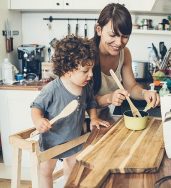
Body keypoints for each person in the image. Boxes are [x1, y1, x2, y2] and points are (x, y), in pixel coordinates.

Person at [30, 35, 110, 188]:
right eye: (85, 70)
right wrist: (38, 121)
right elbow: (36, 107)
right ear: (67, 71)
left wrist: (93, 118)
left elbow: (90, 102)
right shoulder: (52, 89)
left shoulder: (85, 87)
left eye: (92, 69)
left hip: (74, 139)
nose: (91, 74)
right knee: (46, 171)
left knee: (73, 169)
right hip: (51, 141)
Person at [92, 3, 160, 110]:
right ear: (99, 30)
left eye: (125, 36)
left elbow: (131, 87)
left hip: (103, 116)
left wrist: (144, 93)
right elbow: (80, 98)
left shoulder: (125, 53)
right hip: (81, 119)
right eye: (113, 35)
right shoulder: (85, 53)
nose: (119, 43)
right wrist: (109, 98)